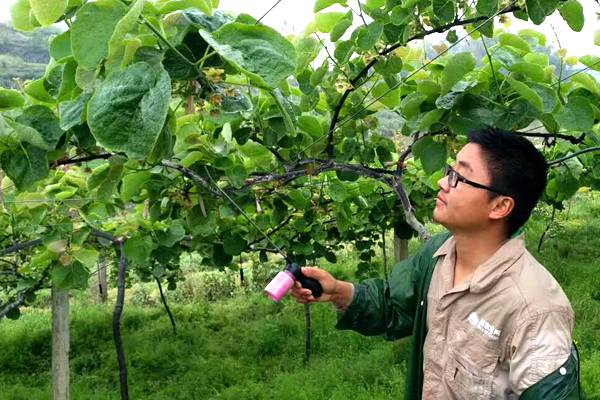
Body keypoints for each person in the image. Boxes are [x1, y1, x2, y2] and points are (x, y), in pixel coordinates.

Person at [291, 127, 582, 399]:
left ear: (500, 206)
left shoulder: (536, 311)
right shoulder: (437, 255)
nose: (443, 182)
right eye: (449, 170)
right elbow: (394, 303)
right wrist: (338, 291)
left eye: (460, 177)